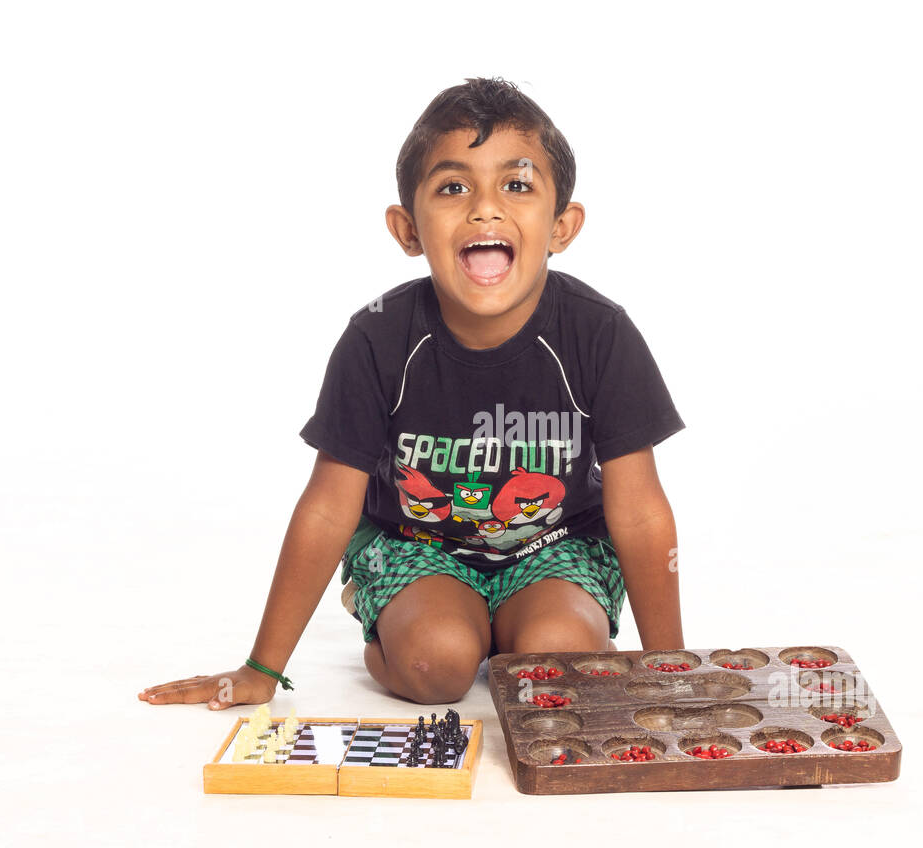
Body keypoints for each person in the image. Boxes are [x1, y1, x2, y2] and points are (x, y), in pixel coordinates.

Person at [140, 76, 685, 709]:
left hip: (555, 544)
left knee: (554, 665)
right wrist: (263, 667)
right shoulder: (378, 337)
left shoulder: (600, 333)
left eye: (517, 184)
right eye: (454, 187)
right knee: (438, 665)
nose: (485, 208)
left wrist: (668, 669)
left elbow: (641, 511)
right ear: (408, 230)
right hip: (417, 545)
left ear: (563, 225)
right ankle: (406, 625)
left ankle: (523, 627)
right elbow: (326, 507)